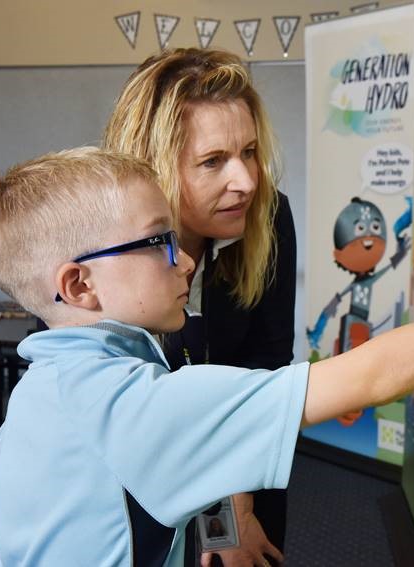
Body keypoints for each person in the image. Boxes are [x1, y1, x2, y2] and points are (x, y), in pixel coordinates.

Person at [0, 147, 414, 567]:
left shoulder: (48, 387)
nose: (188, 260)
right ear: (79, 285)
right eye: (158, 243)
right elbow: (375, 374)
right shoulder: (130, 403)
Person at [102, 48, 295, 567]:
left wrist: (235, 509)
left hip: (243, 464)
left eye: (250, 152)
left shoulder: (268, 216)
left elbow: (264, 373)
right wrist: (217, 519)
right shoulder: (103, 245)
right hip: (147, 483)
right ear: (157, 165)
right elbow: (129, 426)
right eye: (213, 162)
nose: (247, 182)